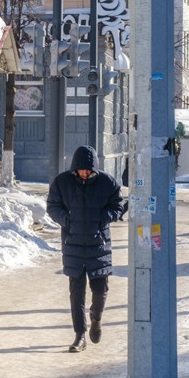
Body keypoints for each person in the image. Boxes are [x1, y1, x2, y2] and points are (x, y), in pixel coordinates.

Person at [46, 146, 126, 353]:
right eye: (80, 170)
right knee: (76, 293)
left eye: (87, 170)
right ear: (74, 169)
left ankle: (96, 318)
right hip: (73, 245)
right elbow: (52, 206)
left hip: (99, 245)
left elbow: (118, 206)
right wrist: (66, 220)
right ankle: (80, 335)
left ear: (94, 170)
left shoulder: (107, 183)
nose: (84, 173)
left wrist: (103, 218)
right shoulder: (62, 182)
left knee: (100, 290)